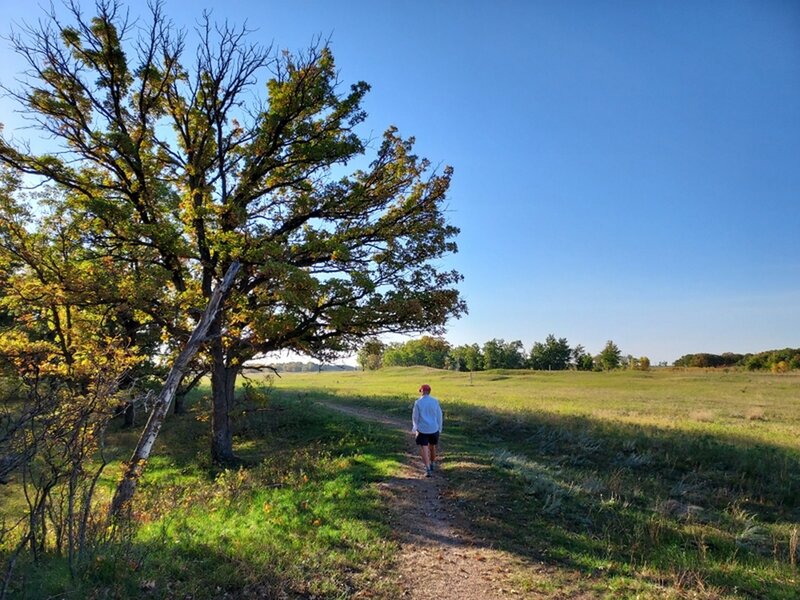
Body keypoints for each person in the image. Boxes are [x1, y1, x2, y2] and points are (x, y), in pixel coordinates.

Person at [411, 384, 443, 477]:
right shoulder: (435, 401)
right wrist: (440, 427)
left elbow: (415, 417)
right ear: (429, 391)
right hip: (434, 428)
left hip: (422, 429)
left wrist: (415, 428)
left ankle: (428, 468)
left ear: (421, 391)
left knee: (424, 448)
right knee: (432, 447)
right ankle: (432, 463)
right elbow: (439, 416)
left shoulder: (418, 402)